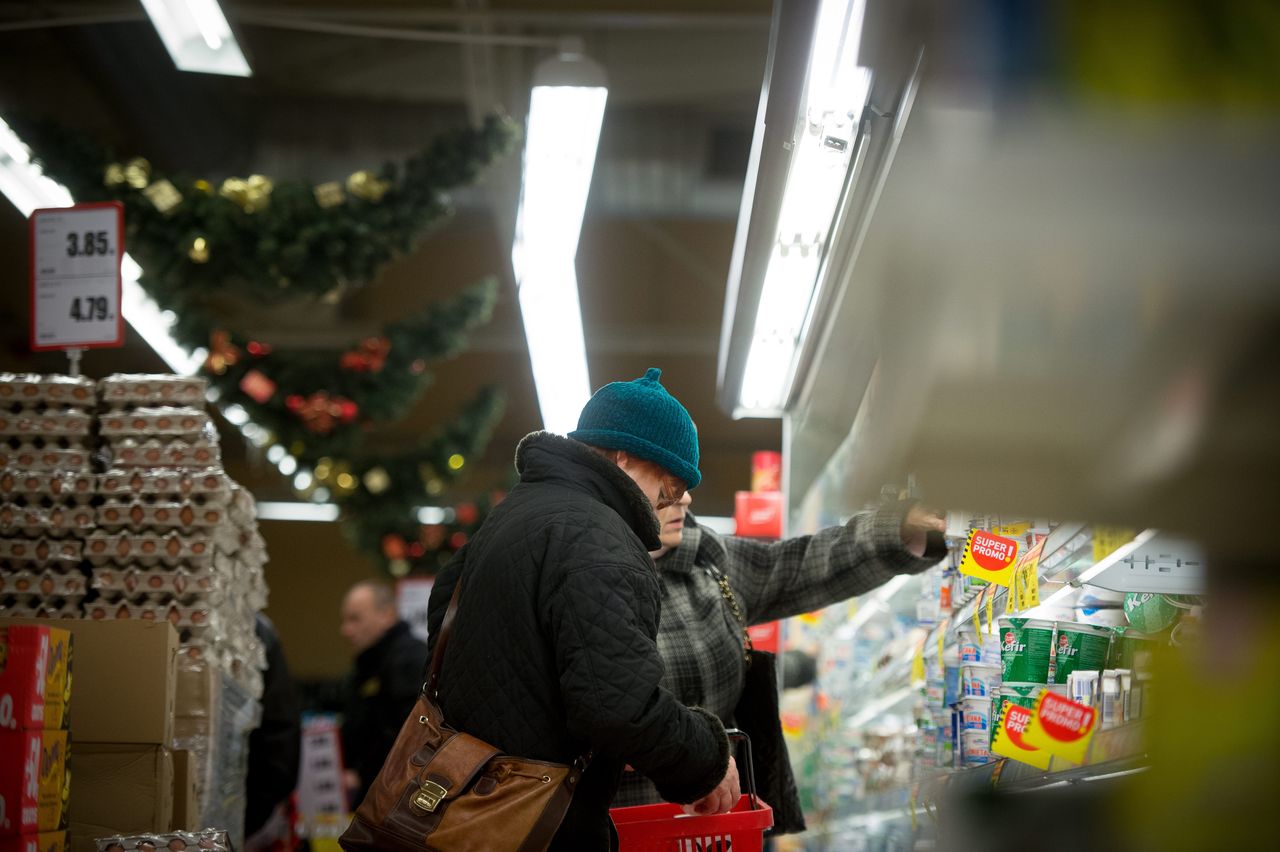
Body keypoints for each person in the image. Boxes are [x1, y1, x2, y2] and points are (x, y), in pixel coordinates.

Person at [425, 368, 739, 851]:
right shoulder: (601, 539)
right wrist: (708, 761)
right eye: (671, 486)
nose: (673, 501)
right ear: (623, 458)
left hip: (467, 811)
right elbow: (618, 707)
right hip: (538, 826)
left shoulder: (511, 517)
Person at [612, 486, 948, 819]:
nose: (684, 498)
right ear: (618, 472)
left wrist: (894, 530)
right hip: (615, 826)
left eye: (686, 484)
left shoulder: (707, 562)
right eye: (666, 481)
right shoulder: (578, 574)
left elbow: (803, 565)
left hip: (719, 825)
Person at [338, 579, 428, 809]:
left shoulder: (409, 660)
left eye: (355, 619)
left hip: (394, 797)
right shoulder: (369, 664)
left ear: (387, 615)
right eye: (345, 620)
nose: (346, 630)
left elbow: (411, 735)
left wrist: (362, 772)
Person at [244, 613, 302, 852]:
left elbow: (279, 728)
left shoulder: (255, 631)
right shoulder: (256, 628)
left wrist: (258, 809)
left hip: (248, 804)